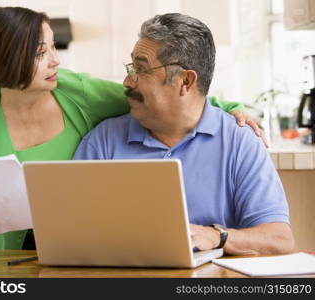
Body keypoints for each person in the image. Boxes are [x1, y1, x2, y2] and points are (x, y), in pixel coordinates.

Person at [0, 7, 262, 250]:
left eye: (54, 46)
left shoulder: (75, 91)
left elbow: (163, 98)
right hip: (3, 261)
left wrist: (228, 107)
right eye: (42, 53)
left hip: (70, 251)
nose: (56, 60)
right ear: (8, 59)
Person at [73, 13, 294, 255]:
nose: (127, 81)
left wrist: (215, 236)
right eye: (131, 68)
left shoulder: (239, 142)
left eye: (141, 69)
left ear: (185, 81)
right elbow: (70, 232)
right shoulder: (103, 141)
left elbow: (279, 241)